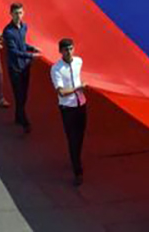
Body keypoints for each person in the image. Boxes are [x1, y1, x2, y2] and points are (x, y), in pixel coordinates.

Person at [51, 38, 88, 186]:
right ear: (60, 51)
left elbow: (79, 77)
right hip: (67, 107)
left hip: (81, 104)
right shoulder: (56, 69)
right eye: (66, 49)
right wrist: (77, 88)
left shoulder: (79, 61)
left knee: (80, 136)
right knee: (72, 138)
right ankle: (77, 170)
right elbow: (61, 92)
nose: (69, 52)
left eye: (71, 48)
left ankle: (75, 157)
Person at [4, 2, 41, 133]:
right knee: (19, 95)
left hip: (25, 67)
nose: (18, 16)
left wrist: (32, 48)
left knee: (24, 95)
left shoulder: (24, 27)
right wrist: (31, 56)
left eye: (20, 13)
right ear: (11, 14)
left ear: (23, 13)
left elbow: (22, 44)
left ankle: (18, 116)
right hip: (15, 68)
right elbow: (13, 51)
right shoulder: (8, 32)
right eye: (15, 13)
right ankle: (25, 122)